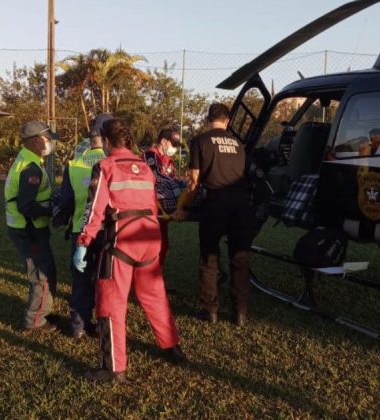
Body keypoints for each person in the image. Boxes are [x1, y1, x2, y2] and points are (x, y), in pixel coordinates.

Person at [75, 118, 185, 383]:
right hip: (149, 239)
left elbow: (95, 209)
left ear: (106, 140)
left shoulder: (105, 166)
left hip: (120, 243)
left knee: (111, 303)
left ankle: (113, 369)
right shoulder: (145, 168)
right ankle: (172, 347)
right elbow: (152, 204)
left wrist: (84, 242)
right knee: (155, 296)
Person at [174, 103, 255, 326]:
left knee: (209, 257)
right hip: (241, 205)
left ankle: (210, 311)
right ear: (228, 120)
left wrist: (183, 208)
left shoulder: (201, 141)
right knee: (240, 258)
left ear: (208, 119)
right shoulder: (239, 144)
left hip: (216, 203)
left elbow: (193, 182)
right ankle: (240, 313)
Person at [55, 114, 112, 339]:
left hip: (81, 229)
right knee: (103, 279)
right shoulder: (111, 164)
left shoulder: (74, 165)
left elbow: (65, 202)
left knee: (80, 279)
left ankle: (78, 326)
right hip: (106, 231)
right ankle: (101, 325)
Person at [5, 121, 59, 331]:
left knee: (45, 270)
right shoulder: (31, 168)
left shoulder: (27, 159)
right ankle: (35, 320)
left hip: (27, 227)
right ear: (36, 140)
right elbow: (26, 205)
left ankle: (43, 310)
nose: (50, 143)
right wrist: (51, 210)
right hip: (29, 229)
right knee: (41, 273)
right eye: (48, 139)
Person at [141, 128, 182, 267]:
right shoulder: (150, 155)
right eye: (173, 145)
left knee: (163, 246)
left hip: (163, 212)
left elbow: (172, 177)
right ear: (164, 142)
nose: (174, 149)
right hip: (150, 210)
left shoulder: (168, 160)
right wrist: (177, 186)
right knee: (151, 248)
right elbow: (156, 176)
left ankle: (157, 278)